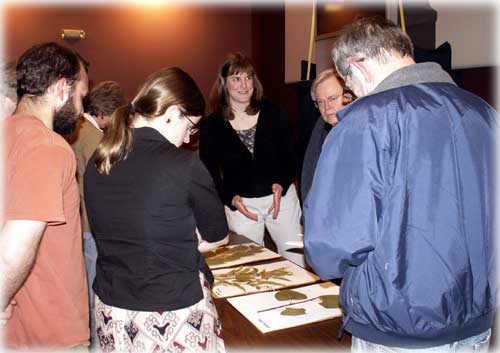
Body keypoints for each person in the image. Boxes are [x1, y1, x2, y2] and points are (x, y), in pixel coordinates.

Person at [304, 16, 497, 351]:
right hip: (477, 317)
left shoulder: (365, 120)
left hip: (398, 324)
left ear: (358, 68)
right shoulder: (484, 112)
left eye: (349, 87)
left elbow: (330, 245)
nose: (354, 95)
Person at [84, 67, 229, 353]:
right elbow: (219, 235)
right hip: (172, 312)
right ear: (172, 112)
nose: (189, 139)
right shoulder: (183, 165)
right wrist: (188, 238)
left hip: (112, 312)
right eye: (190, 127)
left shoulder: (99, 160)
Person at [0, 42, 90, 350]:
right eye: (81, 97)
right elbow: (15, 248)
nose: (81, 111)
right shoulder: (47, 147)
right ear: (62, 89)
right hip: (52, 331)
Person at [199, 52, 305, 267]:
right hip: (242, 207)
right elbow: (208, 173)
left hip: (282, 200)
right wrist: (230, 198)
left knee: (296, 260)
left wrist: (281, 184)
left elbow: (293, 156)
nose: (244, 85)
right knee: (249, 267)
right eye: (236, 79)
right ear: (224, 83)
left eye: (248, 77)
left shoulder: (276, 113)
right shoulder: (212, 125)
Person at [67, 80, 126, 350]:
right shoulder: (90, 135)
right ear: (106, 112)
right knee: (93, 286)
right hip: (91, 223)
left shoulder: (81, 128)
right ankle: (97, 342)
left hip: (84, 221)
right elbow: (108, 178)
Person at [300, 69, 347, 204]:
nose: (327, 108)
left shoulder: (364, 128)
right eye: (321, 102)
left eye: (332, 98)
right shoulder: (321, 126)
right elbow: (309, 174)